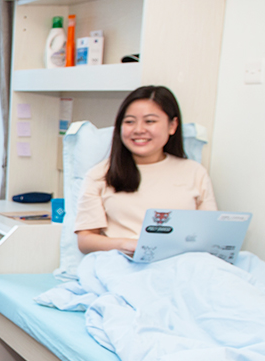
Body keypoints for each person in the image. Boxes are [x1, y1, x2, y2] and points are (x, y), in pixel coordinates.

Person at [74, 85, 216, 257]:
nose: (139, 129)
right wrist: (126, 244)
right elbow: (86, 240)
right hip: (125, 263)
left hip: (183, 264)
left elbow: (211, 234)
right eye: (129, 121)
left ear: (172, 126)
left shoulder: (194, 172)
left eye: (150, 121)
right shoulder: (100, 175)